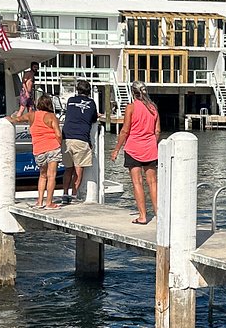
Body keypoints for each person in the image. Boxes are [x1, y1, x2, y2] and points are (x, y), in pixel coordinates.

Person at [111, 81, 160, 225]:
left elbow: (125, 130)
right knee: (153, 182)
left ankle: (143, 216)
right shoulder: (153, 108)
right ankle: (159, 214)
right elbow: (157, 131)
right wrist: (152, 143)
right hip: (150, 149)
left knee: (137, 182)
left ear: (133, 92)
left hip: (133, 149)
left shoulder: (131, 108)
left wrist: (116, 150)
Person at [11, 95, 63, 209]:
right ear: (50, 105)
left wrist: (9, 118)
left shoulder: (31, 115)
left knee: (42, 175)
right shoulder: (51, 116)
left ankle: (39, 202)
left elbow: (17, 119)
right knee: (51, 176)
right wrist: (60, 144)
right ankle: (49, 203)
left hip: (38, 149)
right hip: (52, 147)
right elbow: (58, 134)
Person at [59, 79, 99, 205]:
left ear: (78, 90)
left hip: (67, 137)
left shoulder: (70, 100)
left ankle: (65, 193)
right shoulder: (91, 103)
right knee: (78, 168)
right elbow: (93, 118)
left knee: (68, 168)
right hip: (81, 138)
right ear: (89, 91)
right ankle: (75, 194)